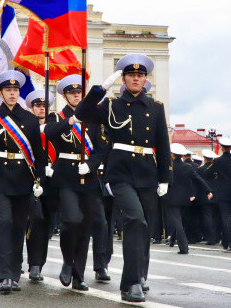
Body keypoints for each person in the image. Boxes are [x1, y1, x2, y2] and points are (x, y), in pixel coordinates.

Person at [75, 53, 172, 303]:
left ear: (144, 79)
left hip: (148, 172)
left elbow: (162, 144)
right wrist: (100, 89)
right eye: (131, 75)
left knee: (144, 228)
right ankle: (129, 284)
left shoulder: (156, 107)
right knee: (134, 220)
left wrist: (165, 177)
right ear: (124, 79)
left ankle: (140, 275)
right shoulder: (110, 104)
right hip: (120, 173)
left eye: (140, 75)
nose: (136, 79)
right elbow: (83, 112)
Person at [0, 70, 46, 294]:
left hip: (23, 180)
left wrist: (39, 180)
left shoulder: (31, 119)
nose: (12, 94)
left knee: (18, 227)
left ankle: (14, 274)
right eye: (8, 90)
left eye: (15, 90)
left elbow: (38, 153)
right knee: (3, 222)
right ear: (1, 93)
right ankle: (2, 275)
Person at [45, 74, 108, 291]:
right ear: (64, 96)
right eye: (71, 93)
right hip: (65, 178)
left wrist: (91, 164)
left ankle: (78, 274)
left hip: (88, 178)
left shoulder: (93, 118)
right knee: (71, 220)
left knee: (86, 226)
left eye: (79, 93)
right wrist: (71, 121)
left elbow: (102, 148)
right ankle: (66, 260)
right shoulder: (57, 116)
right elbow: (49, 133)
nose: (75, 96)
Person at [24, 89, 59, 282]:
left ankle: (38, 263)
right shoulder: (26, 126)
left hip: (51, 181)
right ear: (32, 108)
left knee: (46, 224)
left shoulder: (55, 126)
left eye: (44, 106)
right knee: (33, 221)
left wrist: (53, 167)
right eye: (38, 106)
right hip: (30, 179)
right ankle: (33, 264)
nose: (41, 109)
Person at [166, 143, 212, 254]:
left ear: (172, 154)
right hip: (185, 198)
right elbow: (198, 179)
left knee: (177, 221)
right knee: (179, 219)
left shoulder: (168, 167)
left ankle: (183, 247)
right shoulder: (187, 167)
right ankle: (172, 240)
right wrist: (208, 191)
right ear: (182, 156)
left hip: (171, 197)